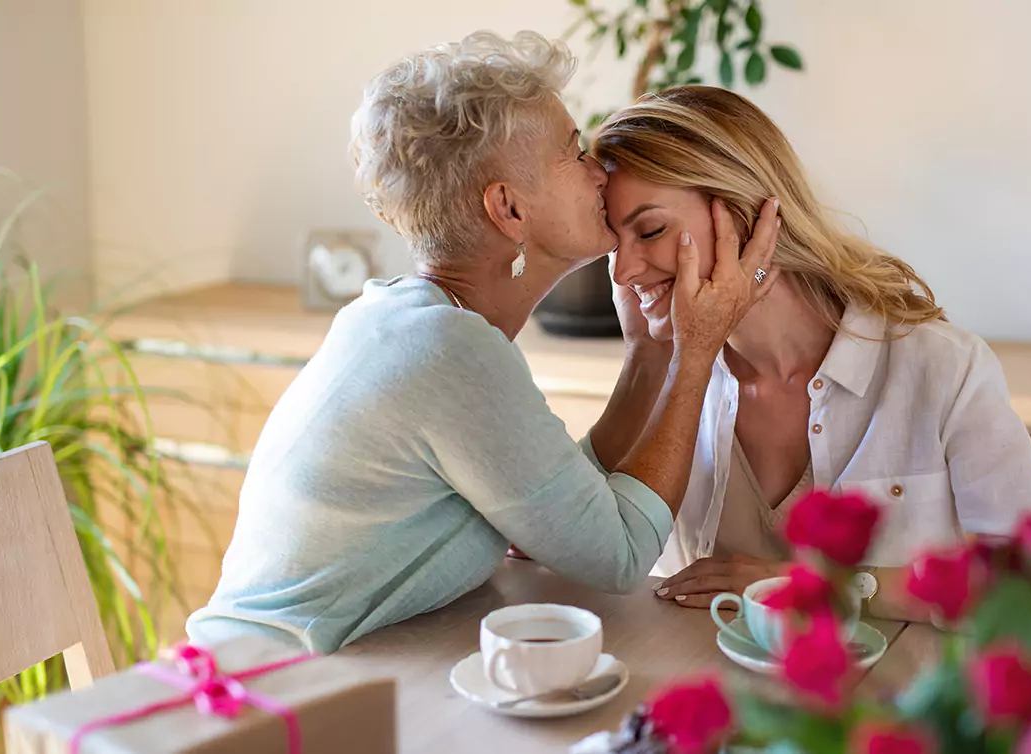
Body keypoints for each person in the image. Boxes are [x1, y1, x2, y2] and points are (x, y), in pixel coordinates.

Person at [186, 35, 780, 653]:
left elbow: (565, 520)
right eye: (574, 153)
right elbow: (622, 554)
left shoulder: (412, 322)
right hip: (265, 698)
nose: (598, 170)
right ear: (509, 210)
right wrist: (695, 351)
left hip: (306, 679)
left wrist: (650, 355)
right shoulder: (448, 353)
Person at [590, 86, 1031, 622]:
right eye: (613, 243)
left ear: (746, 214)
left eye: (650, 230)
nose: (622, 272)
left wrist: (824, 587)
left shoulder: (943, 369)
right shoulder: (671, 382)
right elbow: (585, 546)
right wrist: (644, 355)